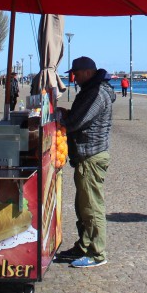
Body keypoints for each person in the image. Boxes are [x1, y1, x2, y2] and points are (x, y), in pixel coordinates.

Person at [56, 57, 114, 268]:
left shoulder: (96, 93)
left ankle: (97, 253)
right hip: (85, 155)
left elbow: (77, 122)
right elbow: (80, 117)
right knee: (83, 206)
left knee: (91, 206)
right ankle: (84, 245)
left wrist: (62, 119)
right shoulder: (91, 90)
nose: (74, 78)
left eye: (77, 74)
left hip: (92, 155)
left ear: (88, 72)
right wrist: (67, 113)